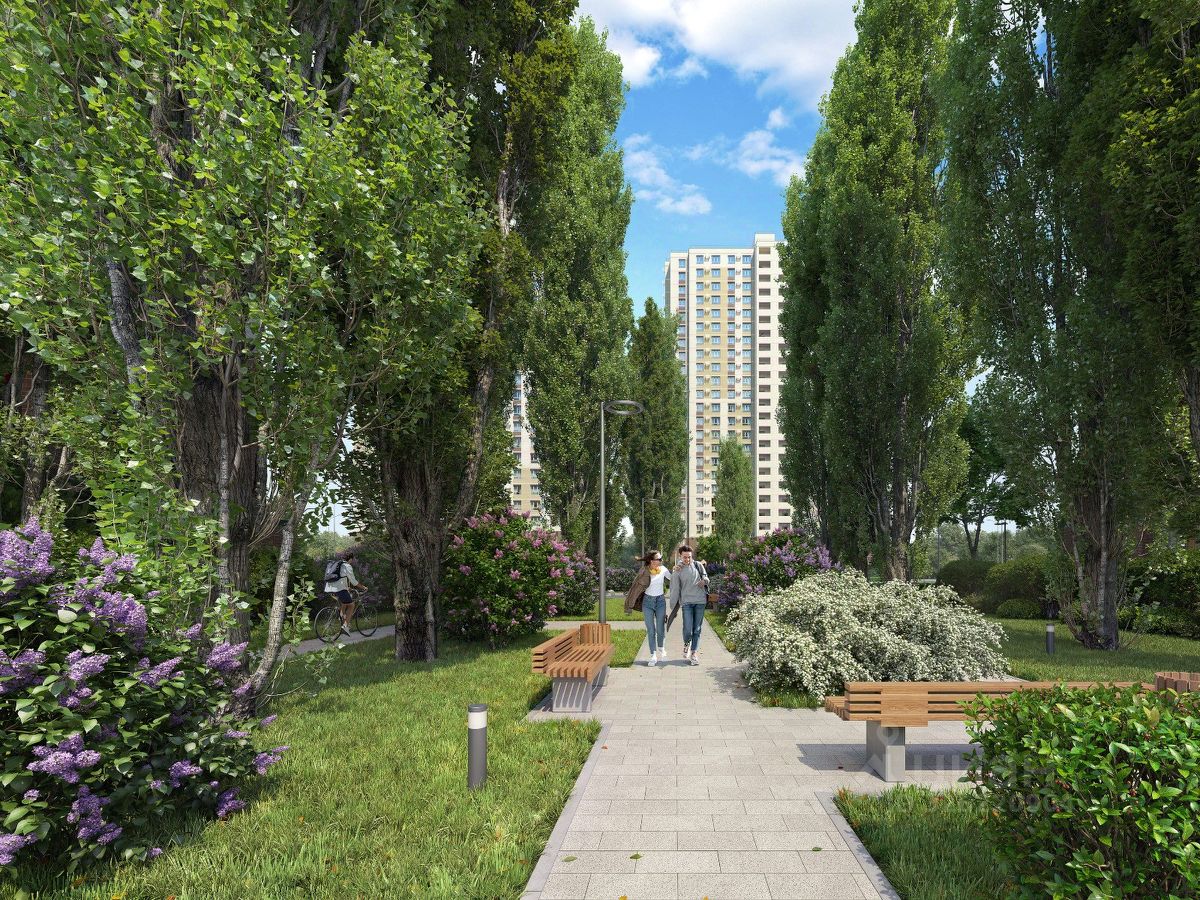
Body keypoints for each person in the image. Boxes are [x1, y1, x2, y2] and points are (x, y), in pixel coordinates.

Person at [624, 550, 671, 666]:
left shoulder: (663, 569)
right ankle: (653, 655)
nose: (660, 561)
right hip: (647, 603)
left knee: (660, 628)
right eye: (658, 559)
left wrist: (678, 571)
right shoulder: (644, 571)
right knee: (651, 630)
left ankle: (661, 648)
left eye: (661, 559)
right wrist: (629, 605)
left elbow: (673, 578)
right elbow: (635, 587)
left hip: (660, 601)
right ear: (651, 560)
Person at [669, 544, 709, 665]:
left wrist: (704, 581)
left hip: (700, 601)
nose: (687, 559)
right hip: (686, 603)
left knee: (697, 629)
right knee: (687, 629)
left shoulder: (698, 565)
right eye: (685, 557)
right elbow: (675, 588)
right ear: (680, 556)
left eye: (689, 557)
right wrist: (673, 606)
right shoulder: (678, 570)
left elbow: (706, 578)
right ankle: (687, 643)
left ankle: (694, 653)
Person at [323, 551, 365, 636]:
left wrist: (347, 587)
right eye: (352, 559)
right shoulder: (347, 566)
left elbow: (340, 578)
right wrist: (363, 587)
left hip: (329, 588)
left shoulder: (338, 564)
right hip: (339, 589)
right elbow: (354, 582)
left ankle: (341, 618)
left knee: (344, 602)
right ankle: (345, 627)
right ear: (350, 559)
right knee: (351, 605)